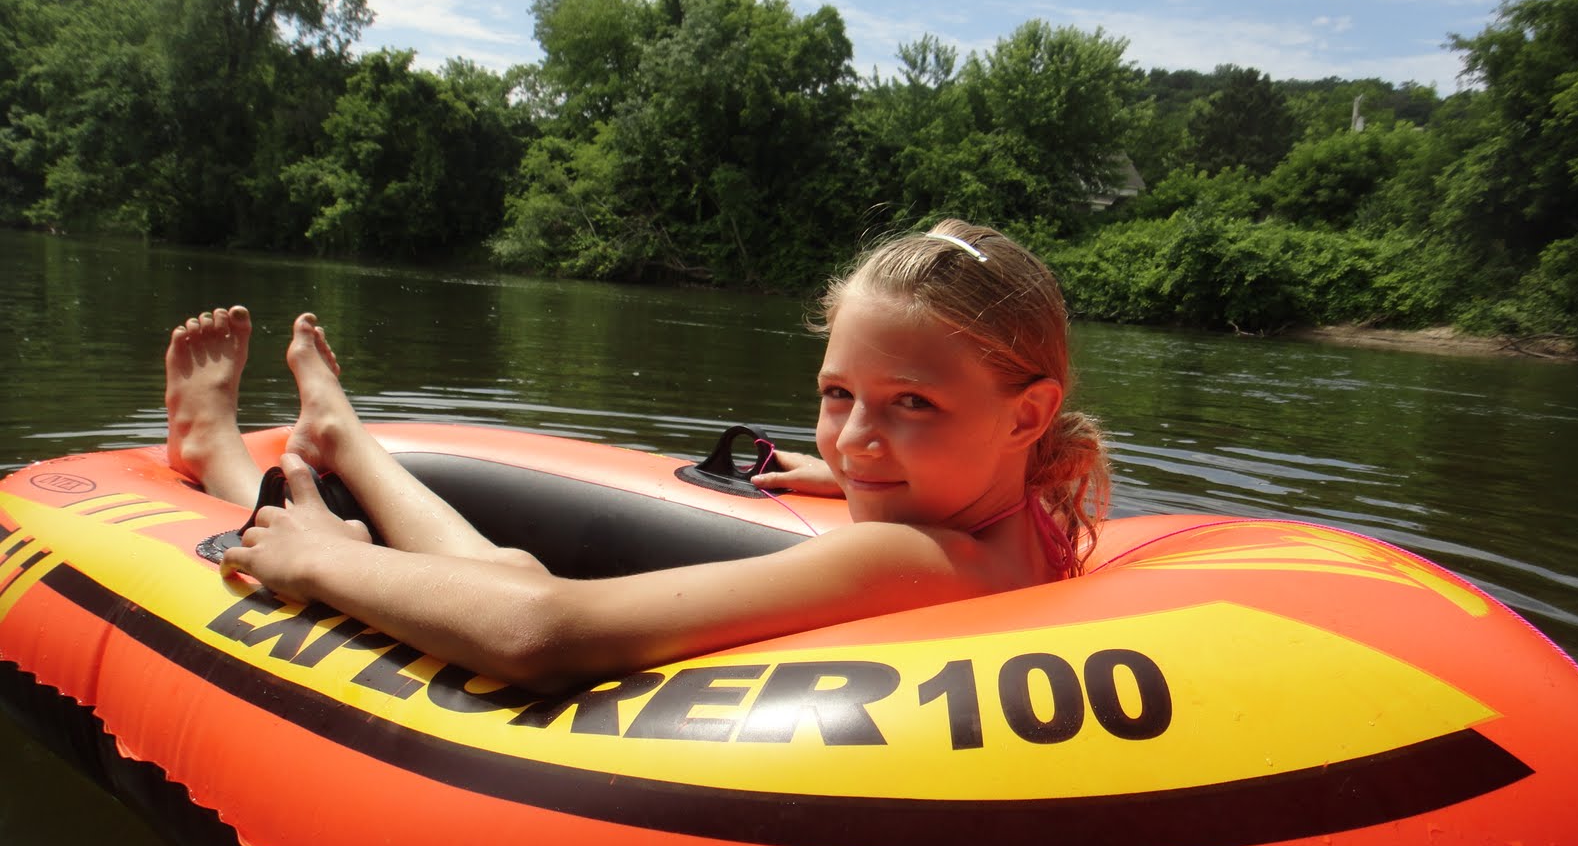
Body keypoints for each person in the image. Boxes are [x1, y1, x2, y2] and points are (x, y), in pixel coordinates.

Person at [163, 219, 1109, 694]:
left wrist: (327, 561)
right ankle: (340, 443)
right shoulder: (1043, 518)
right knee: (504, 570)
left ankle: (245, 467)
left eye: (913, 403)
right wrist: (870, 465)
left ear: (1027, 415)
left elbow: (543, 634)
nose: (857, 436)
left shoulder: (911, 557)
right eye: (838, 395)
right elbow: (917, 455)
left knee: (513, 582)